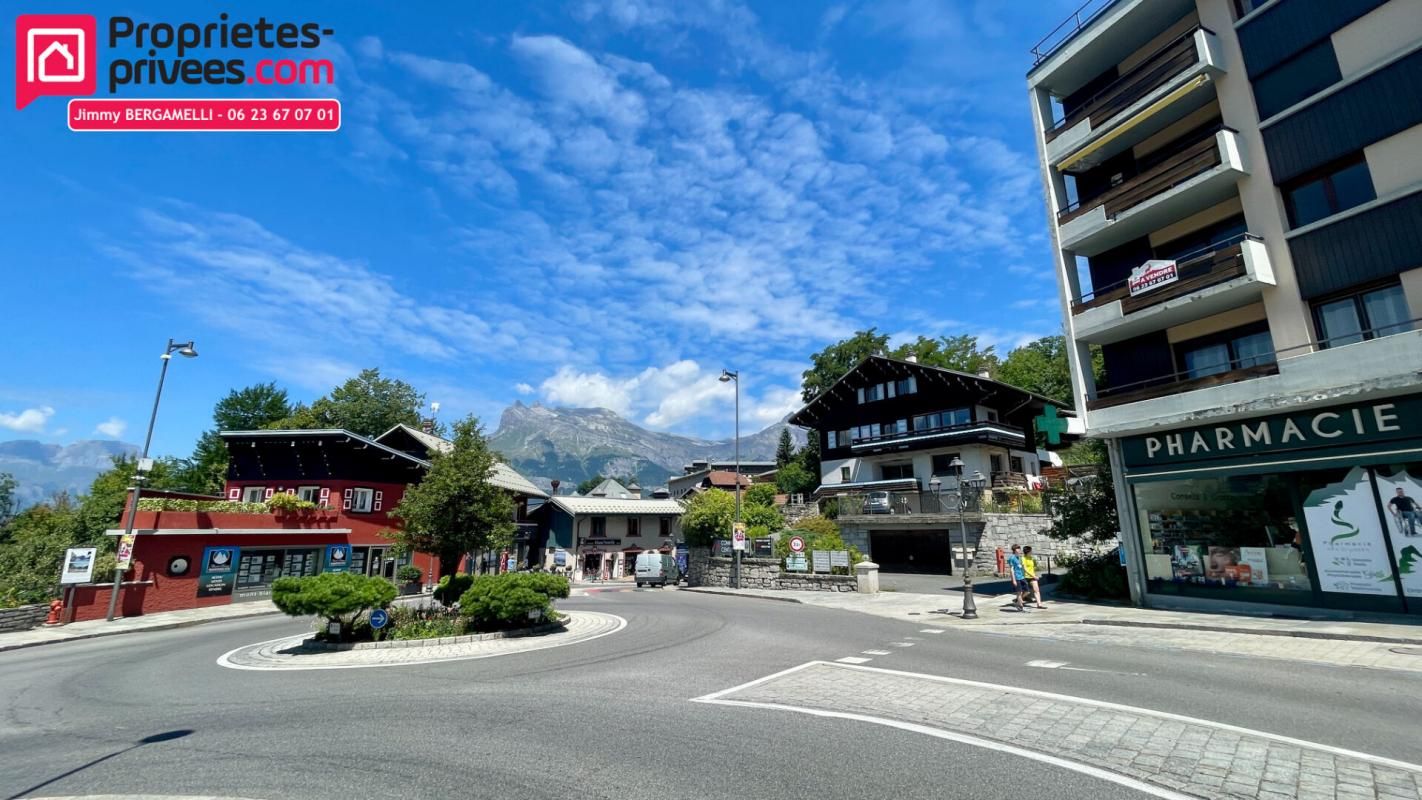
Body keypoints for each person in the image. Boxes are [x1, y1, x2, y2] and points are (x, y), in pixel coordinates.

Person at [1006, 544, 1027, 611]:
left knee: (1027, 591)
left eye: (1019, 549)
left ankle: (1017, 600)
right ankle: (1020, 606)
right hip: (1017, 577)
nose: (1019, 550)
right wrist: (1014, 580)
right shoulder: (1012, 558)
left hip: (1022, 577)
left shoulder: (1019, 557)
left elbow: (1021, 567)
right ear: (1014, 550)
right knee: (1019, 592)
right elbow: (1011, 570)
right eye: (1018, 549)